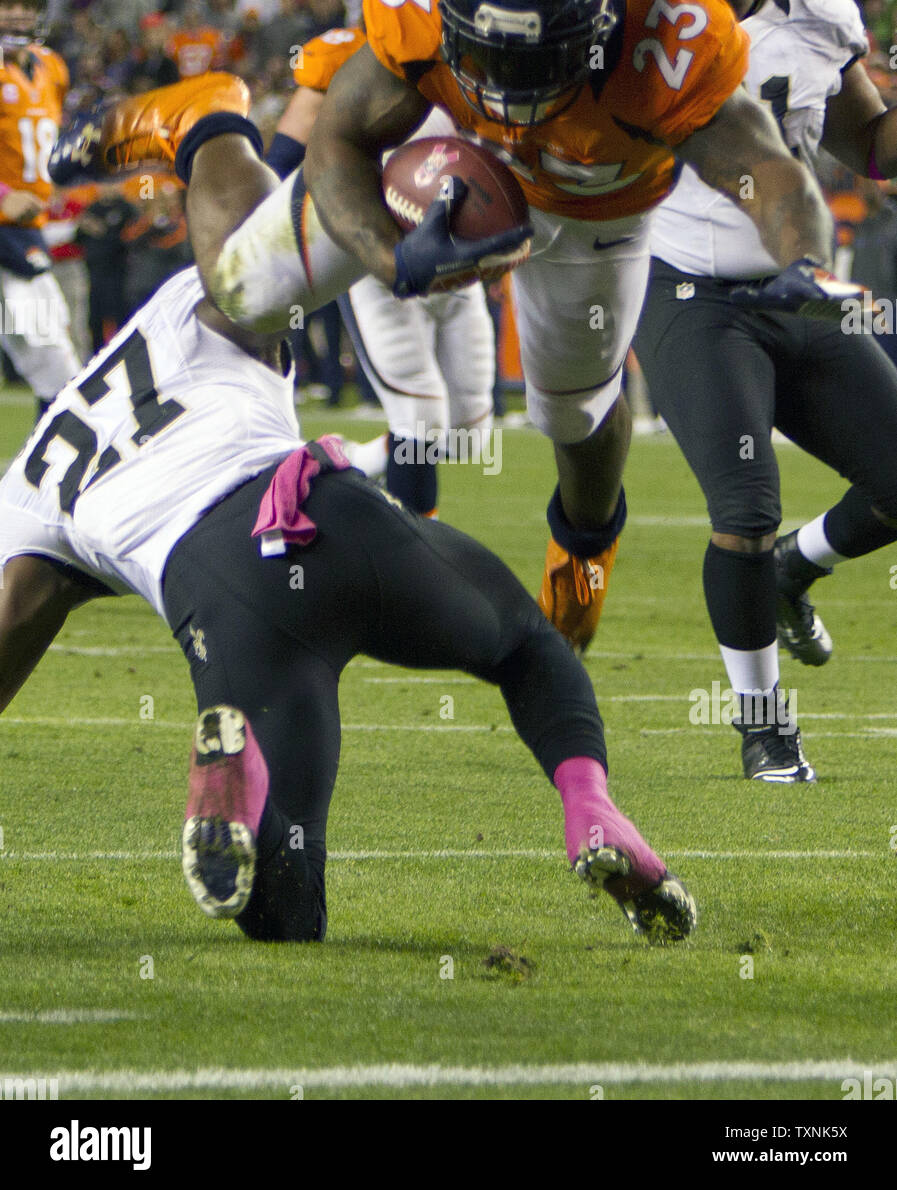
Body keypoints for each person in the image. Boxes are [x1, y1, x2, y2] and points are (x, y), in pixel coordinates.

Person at [0, 72, 697, 946]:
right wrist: (186, 125)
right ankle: (592, 810)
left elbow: (12, 628)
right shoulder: (202, 299)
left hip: (227, 594)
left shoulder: (27, 494)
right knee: (527, 647)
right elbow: (231, 201)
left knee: (285, 917)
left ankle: (241, 776)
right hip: (335, 520)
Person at [298, 0, 854, 656]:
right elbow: (336, 140)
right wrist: (389, 258)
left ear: (598, 23)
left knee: (568, 415)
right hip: (453, 159)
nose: (506, 81)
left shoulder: (670, 36)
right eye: (489, 50)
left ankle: (581, 555)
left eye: (535, 56)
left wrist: (807, 262)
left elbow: (765, 169)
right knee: (250, 277)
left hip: (591, 211)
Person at [634, 0, 897, 784]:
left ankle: (800, 566)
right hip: (689, 294)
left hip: (800, 290)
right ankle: (761, 721)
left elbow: (871, 150)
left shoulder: (821, 17)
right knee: (741, 506)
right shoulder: (639, 12)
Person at [269, 24, 495, 516]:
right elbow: (282, 161)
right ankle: (418, 547)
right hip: (382, 268)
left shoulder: (479, 54)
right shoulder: (342, 56)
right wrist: (355, 210)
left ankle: (334, 461)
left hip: (457, 267)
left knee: (466, 435)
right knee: (419, 418)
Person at [0, 0, 82, 417]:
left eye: (25, 6)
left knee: (48, 347)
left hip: (23, 228)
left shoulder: (51, 66)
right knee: (48, 347)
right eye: (6, 5)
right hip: (6, 225)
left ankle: (49, 461)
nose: (17, 16)